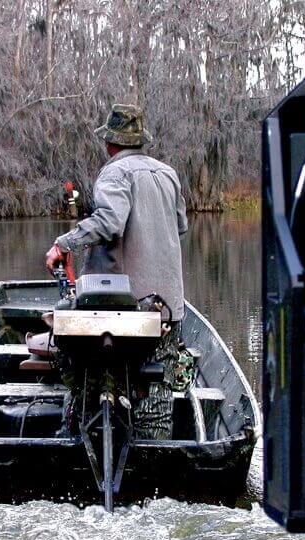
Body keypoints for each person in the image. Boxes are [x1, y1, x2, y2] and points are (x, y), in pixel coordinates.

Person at [45, 104, 188, 440]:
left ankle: (80, 427)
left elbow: (109, 223)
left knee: (70, 355)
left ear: (109, 143)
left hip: (120, 309)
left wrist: (63, 244)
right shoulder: (168, 173)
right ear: (140, 141)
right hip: (166, 306)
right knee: (157, 387)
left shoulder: (114, 173)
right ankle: (156, 451)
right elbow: (181, 225)